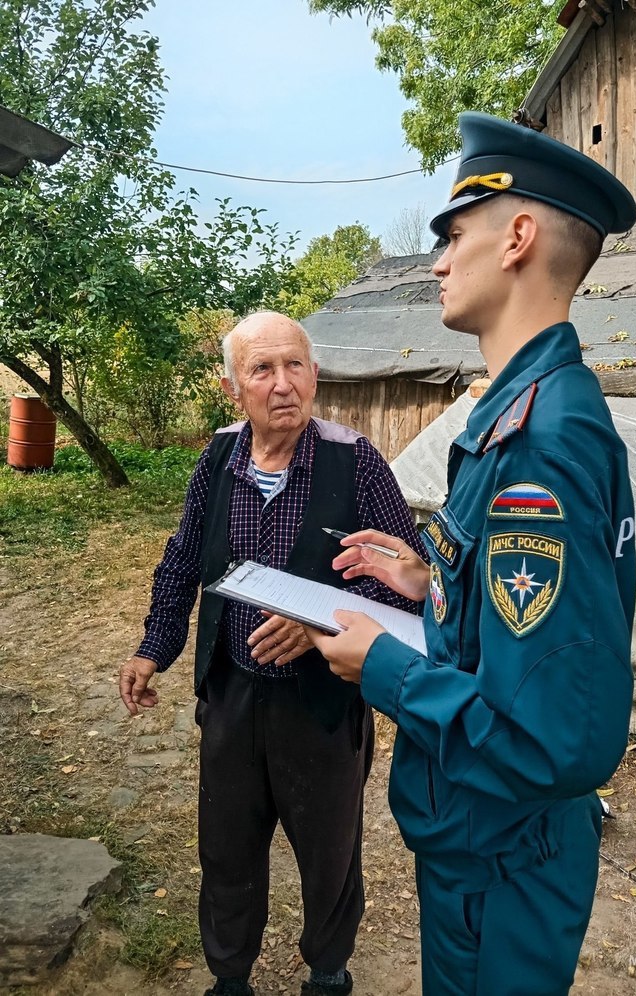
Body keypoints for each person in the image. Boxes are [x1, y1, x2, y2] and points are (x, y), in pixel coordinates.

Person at [305, 113, 636, 996]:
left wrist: (382, 668)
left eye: (454, 236)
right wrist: (430, 579)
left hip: (502, 856)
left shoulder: (540, 441)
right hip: (490, 844)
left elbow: (548, 739)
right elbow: (525, 620)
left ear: (518, 237)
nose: (440, 261)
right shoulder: (527, 410)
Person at [118, 311, 426, 996]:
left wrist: (319, 619)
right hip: (231, 693)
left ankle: (327, 971)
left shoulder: (357, 462)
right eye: (262, 369)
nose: (282, 384)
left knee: (329, 853)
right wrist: (154, 648)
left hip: (321, 705)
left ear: (315, 375)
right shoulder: (217, 459)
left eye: (295, 366)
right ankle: (230, 977)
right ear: (235, 388)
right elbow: (182, 559)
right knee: (226, 845)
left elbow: (410, 589)